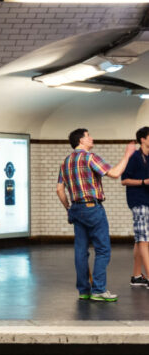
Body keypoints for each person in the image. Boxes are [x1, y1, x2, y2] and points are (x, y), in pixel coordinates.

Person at [56, 128, 134, 302]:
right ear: (81, 141)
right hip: (92, 208)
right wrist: (127, 155)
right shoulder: (90, 157)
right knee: (103, 249)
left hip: (76, 208)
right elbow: (114, 173)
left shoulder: (66, 162)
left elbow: (59, 189)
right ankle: (98, 289)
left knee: (81, 251)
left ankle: (84, 291)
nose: (91, 138)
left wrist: (68, 207)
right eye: (88, 136)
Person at [120, 126, 149, 287]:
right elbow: (124, 180)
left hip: (147, 201)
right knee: (144, 239)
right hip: (138, 201)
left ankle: (137, 276)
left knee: (141, 240)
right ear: (143, 139)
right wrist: (144, 182)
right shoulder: (135, 157)